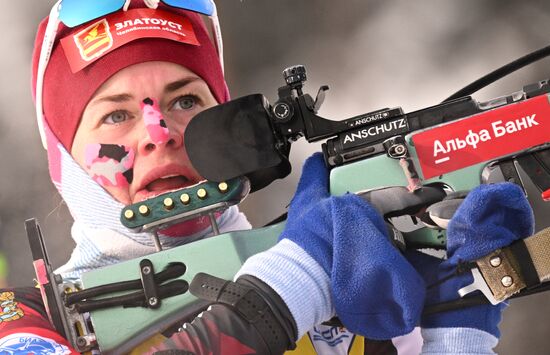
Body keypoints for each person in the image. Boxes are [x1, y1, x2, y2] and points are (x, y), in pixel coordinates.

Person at [0, 1, 534, 354]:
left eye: (187, 100)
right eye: (117, 114)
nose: (159, 132)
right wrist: (286, 289)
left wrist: (454, 331)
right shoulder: (21, 325)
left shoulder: (350, 287)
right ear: (63, 161)